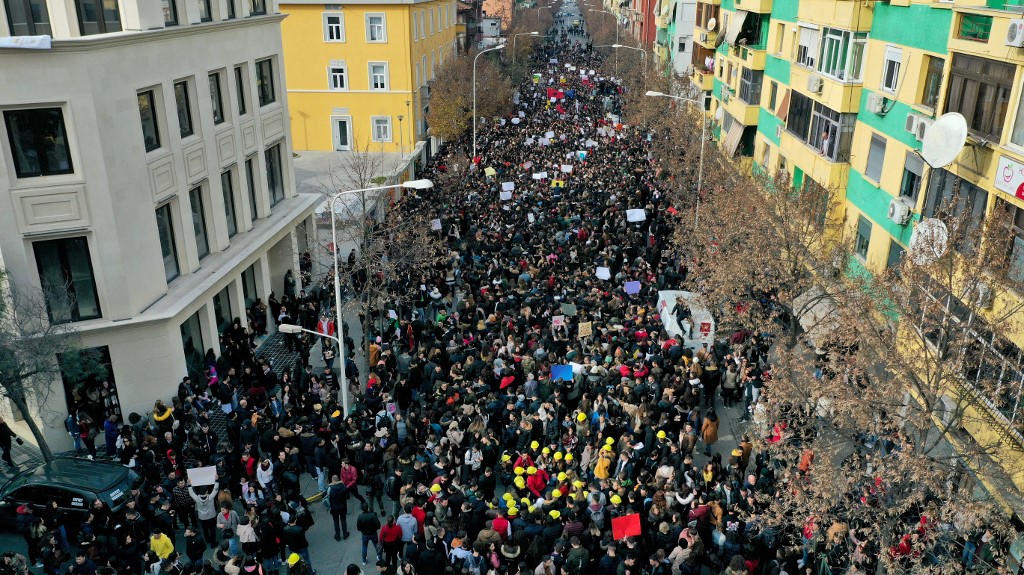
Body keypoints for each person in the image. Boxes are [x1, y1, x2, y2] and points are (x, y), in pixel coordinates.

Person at [327, 474, 350, 541]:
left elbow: (324, 495)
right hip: (343, 507)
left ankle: (338, 536)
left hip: (334, 508)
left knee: (336, 521)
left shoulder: (330, 488)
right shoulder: (343, 487)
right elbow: (348, 497)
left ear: (332, 480)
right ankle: (345, 534)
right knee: (343, 520)